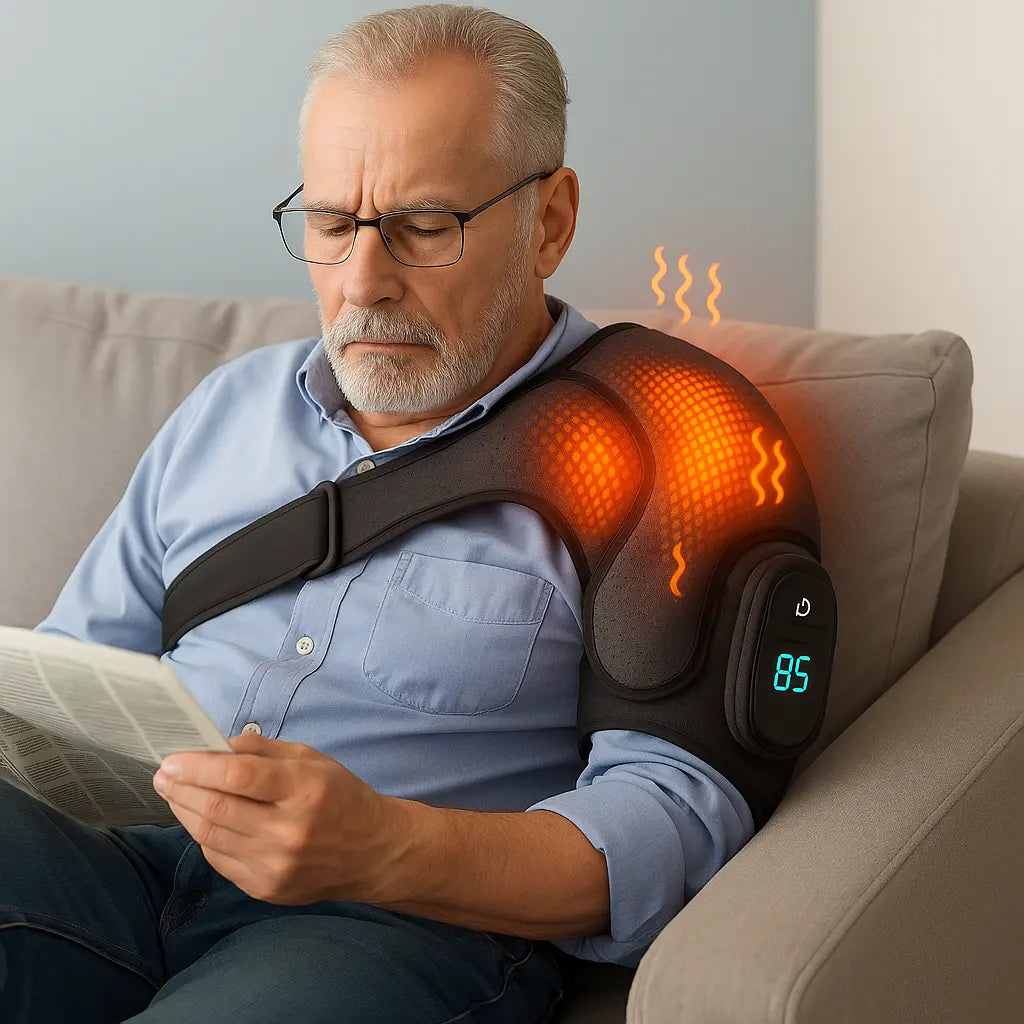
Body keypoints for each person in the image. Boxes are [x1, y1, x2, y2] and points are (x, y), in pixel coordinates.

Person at [2, 5, 754, 1022]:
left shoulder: (667, 442)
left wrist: (389, 846)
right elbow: (65, 681)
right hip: (124, 867)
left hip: (393, 924)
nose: (363, 281)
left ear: (550, 222)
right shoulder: (229, 408)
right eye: (329, 223)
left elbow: (680, 812)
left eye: (424, 225)